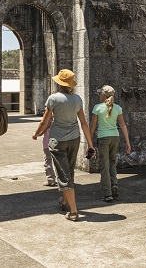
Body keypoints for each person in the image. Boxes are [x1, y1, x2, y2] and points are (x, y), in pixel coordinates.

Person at [32, 69, 95, 221]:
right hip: (74, 139)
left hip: (58, 140)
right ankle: (64, 201)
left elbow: (44, 121)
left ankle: (73, 211)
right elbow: (84, 123)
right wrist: (90, 144)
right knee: (69, 171)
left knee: (63, 174)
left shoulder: (53, 99)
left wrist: (37, 134)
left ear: (59, 83)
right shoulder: (77, 99)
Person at [89, 85, 131, 202]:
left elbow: (93, 125)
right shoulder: (117, 108)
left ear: (103, 95)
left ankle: (107, 193)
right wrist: (127, 141)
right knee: (112, 162)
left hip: (103, 138)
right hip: (115, 137)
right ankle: (114, 185)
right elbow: (122, 125)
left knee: (104, 165)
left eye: (100, 93)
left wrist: (89, 141)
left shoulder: (97, 108)